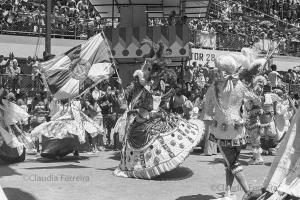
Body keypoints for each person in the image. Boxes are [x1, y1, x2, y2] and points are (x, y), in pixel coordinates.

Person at [114, 58, 204, 179]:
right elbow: (124, 102)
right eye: (148, 69)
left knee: (159, 136)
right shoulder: (134, 85)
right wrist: (120, 87)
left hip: (151, 115)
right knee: (134, 141)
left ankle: (156, 164)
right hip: (136, 117)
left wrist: (158, 105)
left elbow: (158, 101)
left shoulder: (156, 85)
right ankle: (137, 166)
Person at [204, 54, 260, 199]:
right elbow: (255, 101)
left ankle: (248, 193)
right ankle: (228, 192)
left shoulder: (214, 87)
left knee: (232, 164)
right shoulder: (240, 85)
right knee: (229, 163)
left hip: (222, 132)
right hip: (239, 129)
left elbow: (208, 111)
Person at [31, 99, 103, 159]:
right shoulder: (58, 102)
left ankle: (75, 151)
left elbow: (77, 114)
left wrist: (79, 123)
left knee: (74, 133)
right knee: (56, 133)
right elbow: (57, 112)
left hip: (72, 121)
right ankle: (56, 151)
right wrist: (53, 119)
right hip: (61, 120)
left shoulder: (74, 103)